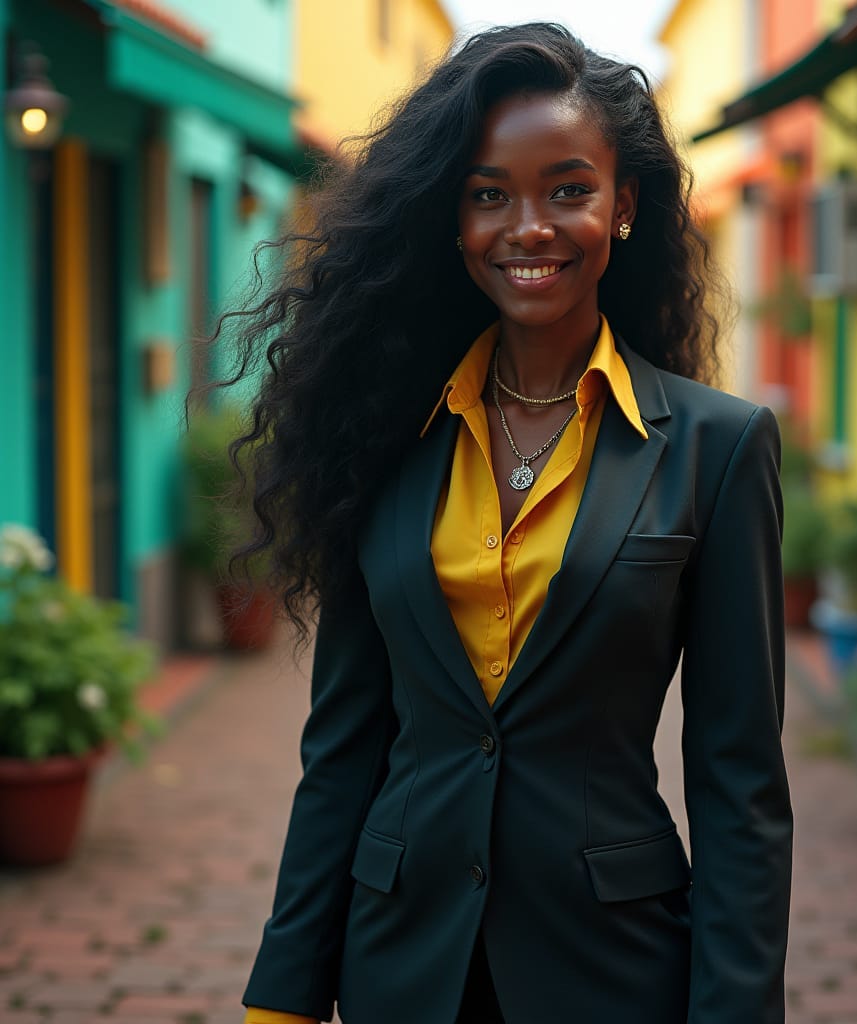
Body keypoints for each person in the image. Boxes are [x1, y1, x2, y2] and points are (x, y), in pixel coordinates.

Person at [225, 22, 792, 1024]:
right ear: (452, 217)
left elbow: (738, 780)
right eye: (489, 193)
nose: (526, 225)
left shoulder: (720, 448)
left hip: (610, 965)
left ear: (622, 206)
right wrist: (283, 995)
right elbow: (346, 746)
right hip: (400, 959)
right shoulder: (382, 436)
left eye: (566, 189)